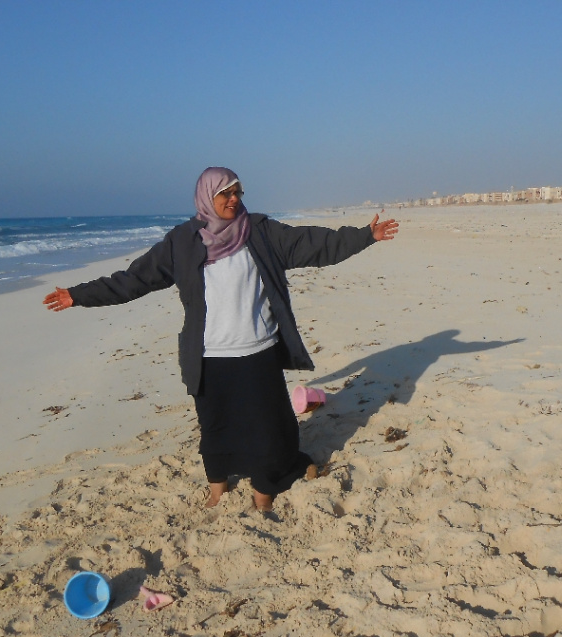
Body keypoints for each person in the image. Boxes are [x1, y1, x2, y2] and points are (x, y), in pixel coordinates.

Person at [43, 167, 399, 512]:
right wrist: (79, 294)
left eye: (237, 191)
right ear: (206, 196)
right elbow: (135, 278)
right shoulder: (181, 242)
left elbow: (315, 244)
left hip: (258, 348)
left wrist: (364, 236)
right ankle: (218, 490)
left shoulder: (260, 231)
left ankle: (264, 492)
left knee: (267, 427)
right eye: (224, 192)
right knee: (215, 426)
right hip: (209, 354)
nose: (232, 198)